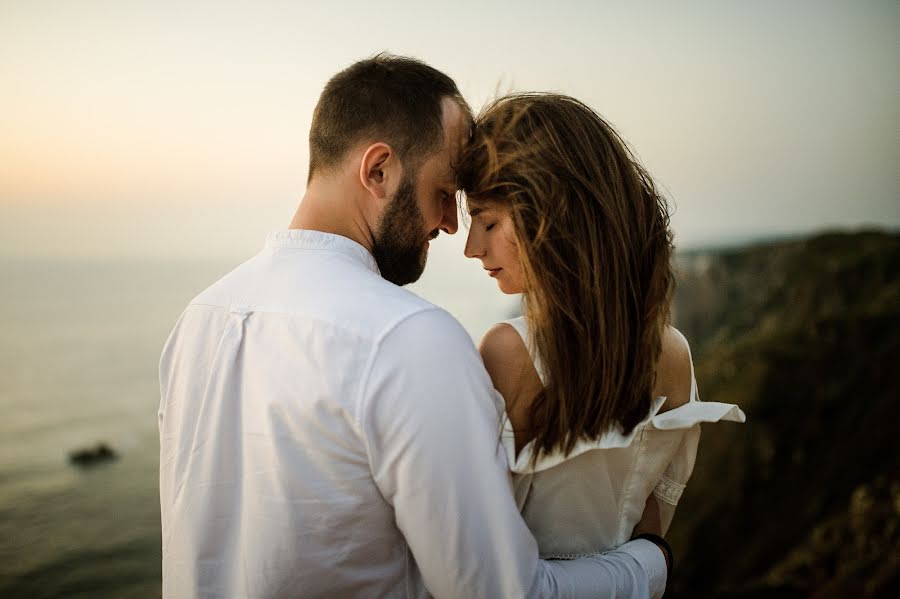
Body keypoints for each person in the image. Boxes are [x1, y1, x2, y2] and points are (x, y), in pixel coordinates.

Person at [158, 55, 669, 598]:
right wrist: (649, 564)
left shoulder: (199, 322)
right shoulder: (406, 339)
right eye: (445, 192)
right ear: (378, 171)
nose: (451, 225)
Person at [459, 93, 746, 559]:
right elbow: (651, 535)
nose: (472, 247)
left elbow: (476, 555)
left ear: (550, 215)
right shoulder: (674, 352)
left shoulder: (508, 351)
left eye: (486, 222)